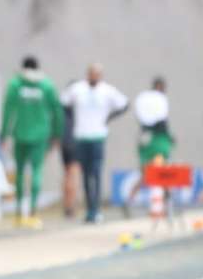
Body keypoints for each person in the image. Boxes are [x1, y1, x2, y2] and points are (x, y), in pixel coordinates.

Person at [0, 56, 63, 229]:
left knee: (20, 172)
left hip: (20, 133)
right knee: (36, 171)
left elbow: (8, 109)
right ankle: (34, 212)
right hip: (41, 135)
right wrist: (57, 133)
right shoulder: (46, 85)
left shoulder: (16, 84)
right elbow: (57, 110)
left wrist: (4, 134)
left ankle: (19, 213)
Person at [61, 63, 128, 224]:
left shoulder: (107, 90)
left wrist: (108, 118)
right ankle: (89, 209)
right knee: (84, 174)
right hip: (81, 136)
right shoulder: (78, 89)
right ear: (87, 74)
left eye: (96, 74)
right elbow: (63, 102)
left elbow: (124, 104)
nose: (93, 77)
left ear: (101, 75)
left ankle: (96, 209)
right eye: (91, 74)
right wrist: (73, 118)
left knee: (96, 173)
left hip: (98, 136)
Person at [124, 76, 174, 216]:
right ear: (160, 87)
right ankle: (163, 207)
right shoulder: (158, 102)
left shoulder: (144, 101)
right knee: (162, 174)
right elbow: (161, 122)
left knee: (147, 175)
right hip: (158, 143)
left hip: (146, 141)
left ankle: (131, 200)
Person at [61, 81, 81, 219]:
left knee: (67, 174)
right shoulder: (79, 105)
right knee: (74, 174)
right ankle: (71, 206)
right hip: (75, 140)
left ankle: (66, 205)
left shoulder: (63, 105)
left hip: (64, 141)